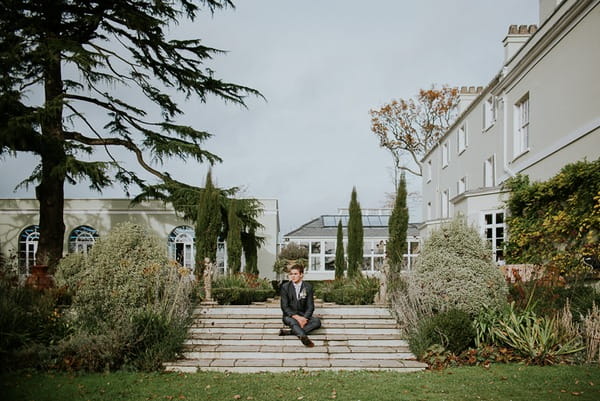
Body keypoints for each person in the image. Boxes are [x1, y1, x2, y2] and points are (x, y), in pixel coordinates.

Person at [279, 264, 321, 347]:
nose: (293, 276)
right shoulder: (285, 287)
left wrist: (304, 318)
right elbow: (284, 307)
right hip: (290, 316)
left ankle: (291, 332)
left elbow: (310, 306)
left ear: (301, 275)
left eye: (295, 274)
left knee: (317, 322)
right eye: (291, 274)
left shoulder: (308, 287)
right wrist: (298, 318)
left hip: (303, 314)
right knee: (293, 322)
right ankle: (303, 337)